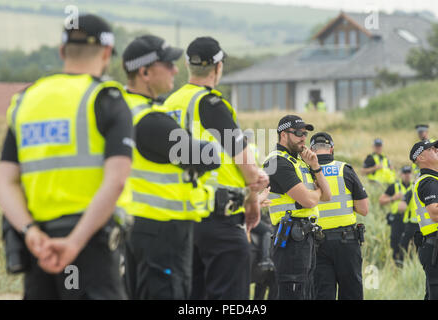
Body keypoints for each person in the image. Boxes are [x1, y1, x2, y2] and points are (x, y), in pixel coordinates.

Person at [0, 14, 134, 299]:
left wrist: (30, 231)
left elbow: (5, 180)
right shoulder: (105, 97)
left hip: (39, 246)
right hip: (91, 244)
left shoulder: (25, 101)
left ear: (62, 51)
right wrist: (75, 241)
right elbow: (117, 180)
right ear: (107, 53)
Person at [162, 36, 269, 300]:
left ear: (187, 64)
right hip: (218, 219)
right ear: (218, 68)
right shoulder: (212, 105)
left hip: (180, 219)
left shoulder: (168, 104)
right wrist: (254, 196)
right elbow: (245, 163)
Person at [120, 35, 220, 299]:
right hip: (162, 229)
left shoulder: (123, 108)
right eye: (168, 64)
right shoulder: (151, 120)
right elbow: (207, 157)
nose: (176, 70)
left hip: (136, 224)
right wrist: (206, 146)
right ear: (144, 72)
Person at [263, 115, 331, 300]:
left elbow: (327, 195)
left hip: (305, 237)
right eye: (299, 133)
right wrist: (315, 194)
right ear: (283, 135)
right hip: (290, 238)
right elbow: (309, 200)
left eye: (305, 133)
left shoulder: (301, 162)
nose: (304, 138)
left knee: (306, 293)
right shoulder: (276, 162)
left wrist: (316, 166)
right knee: (292, 294)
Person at [310, 132, 368, 300]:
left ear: (312, 150)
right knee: (351, 292)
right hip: (346, 241)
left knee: (321, 293)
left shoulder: (305, 171)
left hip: (315, 243)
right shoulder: (344, 169)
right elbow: (363, 209)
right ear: (332, 149)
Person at [410, 139, 438, 300]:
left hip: (437, 246)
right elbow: (436, 214)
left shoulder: (436, 180)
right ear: (421, 158)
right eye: (431, 149)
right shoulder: (428, 182)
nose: (436, 150)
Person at [379, 165, 413, 267]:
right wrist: (393, 198)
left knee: (411, 246)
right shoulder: (394, 186)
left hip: (410, 221)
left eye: (409, 173)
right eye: (405, 173)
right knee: (396, 244)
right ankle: (397, 267)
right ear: (401, 174)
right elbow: (381, 201)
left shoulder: (415, 185)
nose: (407, 175)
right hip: (397, 220)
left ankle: (410, 266)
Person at [399, 187, 419, 256]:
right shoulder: (430, 189)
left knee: (404, 247)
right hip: (423, 225)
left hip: (412, 226)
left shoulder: (411, 191)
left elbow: (401, 208)